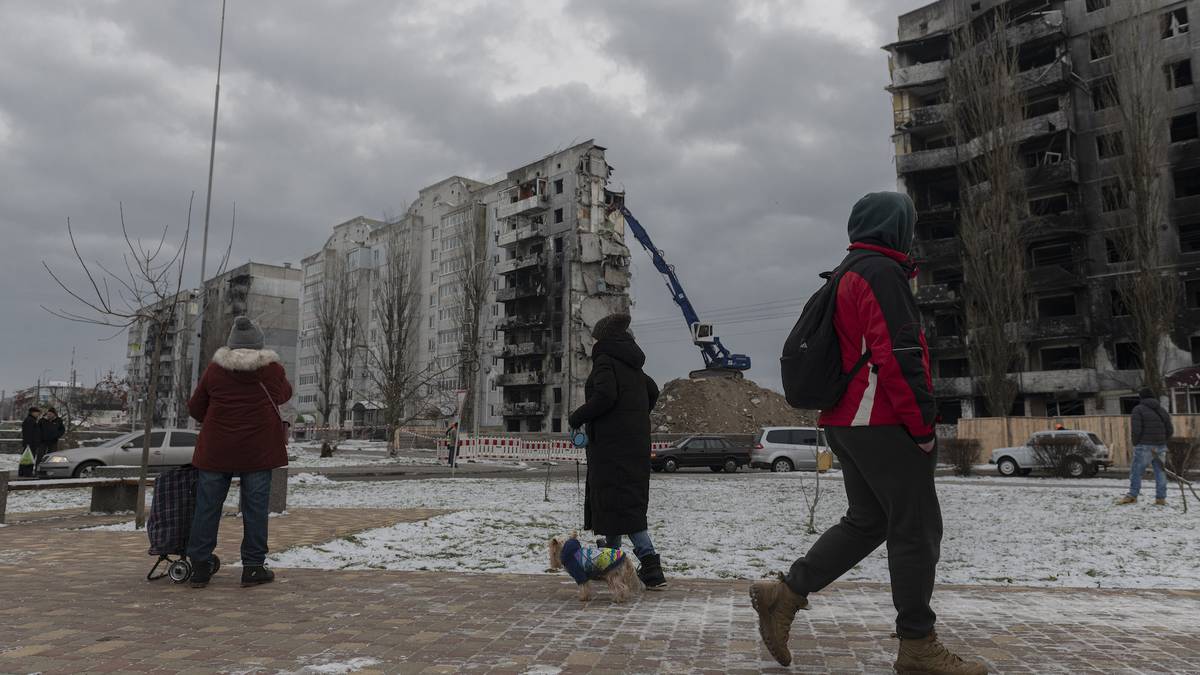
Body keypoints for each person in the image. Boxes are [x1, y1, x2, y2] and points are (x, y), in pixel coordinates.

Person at [750, 192, 987, 674]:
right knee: (916, 530)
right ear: (897, 228)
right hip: (880, 419)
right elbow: (899, 354)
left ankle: (786, 593)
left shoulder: (847, 272)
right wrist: (921, 426)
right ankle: (918, 645)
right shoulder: (880, 273)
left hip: (844, 420)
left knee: (869, 520)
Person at [186, 316, 293, 589]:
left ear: (231, 344)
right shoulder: (272, 370)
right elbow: (285, 395)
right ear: (259, 344)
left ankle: (199, 565)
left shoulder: (215, 370)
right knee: (255, 509)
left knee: (207, 508)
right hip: (258, 452)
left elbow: (196, 408)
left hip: (216, 450)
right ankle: (254, 567)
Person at [567, 313, 665, 590]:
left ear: (604, 339)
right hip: (634, 445)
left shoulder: (606, 362)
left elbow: (605, 397)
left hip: (611, 448)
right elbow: (653, 391)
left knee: (619, 507)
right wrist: (634, 418)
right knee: (621, 504)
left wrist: (577, 417)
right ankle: (612, 564)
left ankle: (649, 564)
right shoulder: (634, 367)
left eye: (596, 338)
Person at [1118, 387, 1173, 506]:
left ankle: (1132, 495)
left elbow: (1136, 430)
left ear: (1141, 397)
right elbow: (1170, 429)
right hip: (1160, 446)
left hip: (1144, 445)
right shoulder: (1162, 410)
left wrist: (1136, 442)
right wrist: (1162, 440)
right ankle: (1161, 498)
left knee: (1136, 471)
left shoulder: (1138, 409)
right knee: (1160, 472)